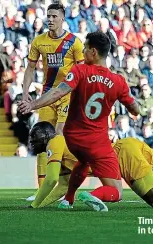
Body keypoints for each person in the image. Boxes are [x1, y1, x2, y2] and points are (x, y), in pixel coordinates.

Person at [19, 31, 141, 211]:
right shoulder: (118, 81)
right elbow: (135, 110)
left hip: (73, 139)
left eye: (85, 48)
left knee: (83, 162)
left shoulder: (80, 71)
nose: (82, 52)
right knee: (117, 192)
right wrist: (131, 106)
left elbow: (58, 92)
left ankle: (68, 199)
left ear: (93, 52)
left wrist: (33, 105)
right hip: (96, 143)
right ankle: (92, 195)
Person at [27, 122, 153, 209]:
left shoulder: (55, 142)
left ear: (44, 136)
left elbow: (52, 179)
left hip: (121, 156)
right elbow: (62, 186)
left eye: (34, 137)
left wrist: (35, 204)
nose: (33, 141)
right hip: (129, 144)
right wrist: (41, 203)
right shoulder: (64, 148)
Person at [21, 3, 84, 201]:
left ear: (63, 18)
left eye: (54, 16)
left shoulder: (74, 43)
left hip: (68, 96)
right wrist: (25, 93)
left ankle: (64, 183)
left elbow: (82, 73)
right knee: (41, 139)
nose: (50, 19)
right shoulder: (39, 41)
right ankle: (42, 189)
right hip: (48, 96)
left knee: (59, 136)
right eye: (48, 16)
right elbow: (30, 69)